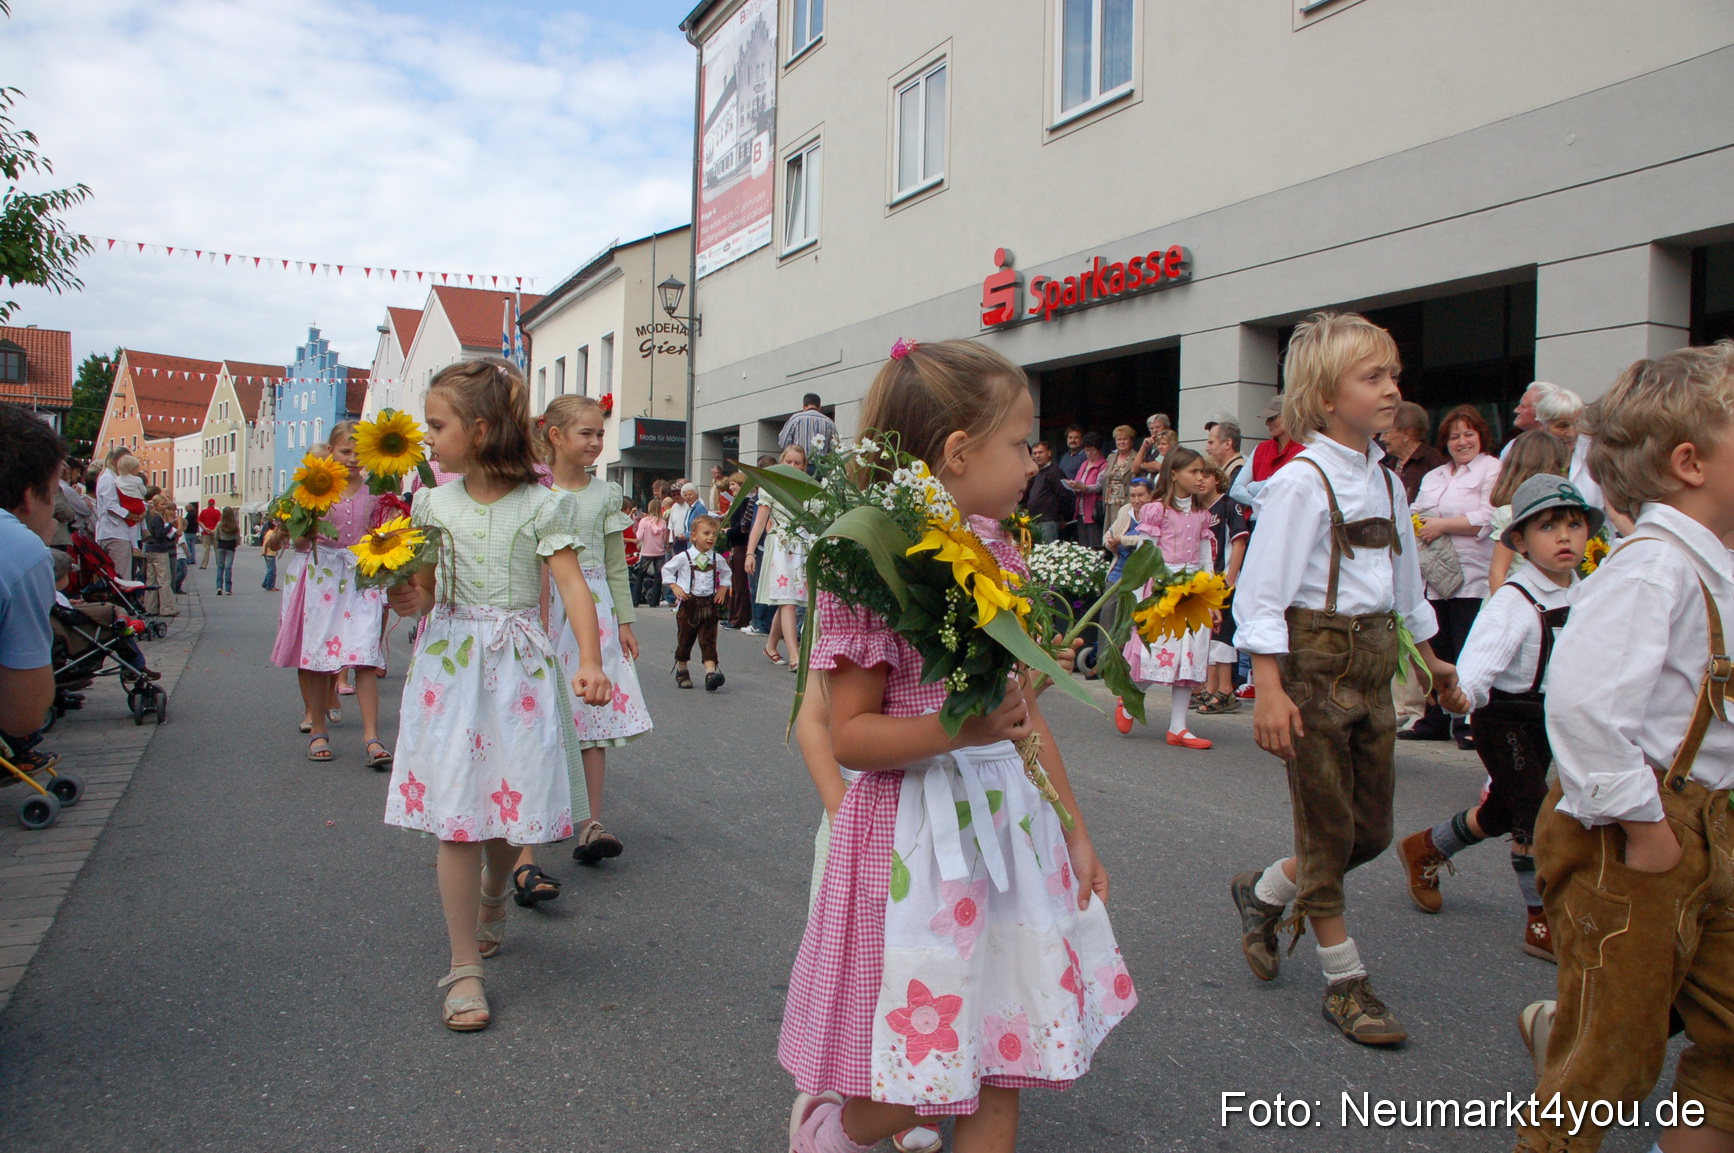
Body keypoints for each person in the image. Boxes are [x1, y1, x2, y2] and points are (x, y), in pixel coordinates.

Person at [780, 338, 1133, 1153]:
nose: (1032, 460)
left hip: (1006, 832)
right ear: (957, 451)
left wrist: (1075, 828)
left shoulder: (999, 547)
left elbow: (1022, 716)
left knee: (997, 1063)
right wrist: (959, 727)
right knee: (915, 1076)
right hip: (916, 839)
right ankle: (831, 1128)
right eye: (1019, 443)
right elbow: (853, 733)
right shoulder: (868, 559)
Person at [1514, 342, 1734, 1153]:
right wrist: (1644, 824)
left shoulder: (1716, 568)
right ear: (1690, 461)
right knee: (1609, 1062)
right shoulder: (1656, 569)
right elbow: (1581, 703)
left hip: (1708, 829)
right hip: (1636, 839)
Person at [1228, 312, 1455, 1046]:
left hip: (1374, 666)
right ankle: (1344, 979)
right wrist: (1267, 686)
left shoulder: (1387, 482)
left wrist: (1433, 655)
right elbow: (1260, 594)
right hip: (1313, 672)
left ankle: (1263, 892)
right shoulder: (1301, 482)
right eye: (1373, 377)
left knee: (1371, 831)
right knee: (1328, 829)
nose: (1392, 389)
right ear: (1327, 397)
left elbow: (1405, 583)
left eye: (1392, 375)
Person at [381, 357, 611, 1034]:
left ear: (480, 430)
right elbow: (424, 588)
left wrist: (591, 658)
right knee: (460, 813)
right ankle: (463, 968)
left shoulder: (543, 505)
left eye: (437, 424)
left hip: (518, 670)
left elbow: (572, 585)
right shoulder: (430, 503)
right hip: (450, 667)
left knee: (511, 813)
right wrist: (408, 594)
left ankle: (493, 892)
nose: (427, 436)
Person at [1396, 475, 1597, 967]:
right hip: (1501, 716)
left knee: (1504, 812)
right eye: (1548, 527)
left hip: (1549, 718)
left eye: (1574, 524)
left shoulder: (1591, 592)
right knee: (1533, 810)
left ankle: (1426, 847)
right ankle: (1541, 918)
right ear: (1521, 542)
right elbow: (1480, 663)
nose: (1565, 536)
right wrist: (1462, 695)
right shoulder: (1513, 600)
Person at [539, 394, 653, 870]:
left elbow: (614, 565)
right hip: (546, 607)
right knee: (538, 716)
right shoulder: (534, 491)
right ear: (556, 436)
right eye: (586, 433)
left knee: (592, 723)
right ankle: (536, 814)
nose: (596, 442)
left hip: (596, 612)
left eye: (600, 434)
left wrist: (624, 621)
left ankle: (591, 822)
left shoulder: (605, 494)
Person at [269, 425, 391, 768]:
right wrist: (298, 529)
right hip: (321, 574)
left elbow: (380, 531)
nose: (352, 460)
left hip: (358, 574)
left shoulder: (375, 491)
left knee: (366, 653)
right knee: (320, 654)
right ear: (331, 452)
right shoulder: (315, 487)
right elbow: (297, 539)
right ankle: (318, 730)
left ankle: (372, 737)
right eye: (345, 452)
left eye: (358, 453)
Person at [1407, 405, 1500, 748]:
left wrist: (1443, 525)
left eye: (1469, 434)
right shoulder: (1436, 476)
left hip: (1470, 573)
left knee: (1466, 649)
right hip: (1433, 573)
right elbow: (1416, 511)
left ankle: (1467, 721)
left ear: (1481, 436)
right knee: (1438, 645)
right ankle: (1435, 718)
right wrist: (1419, 523)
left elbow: (1488, 516)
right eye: (1455, 436)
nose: (1462, 442)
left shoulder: (1492, 469)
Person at [1115, 448, 1218, 747]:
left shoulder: (1202, 514)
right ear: (1174, 474)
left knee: (1189, 656)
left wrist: (1210, 596)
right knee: (1156, 651)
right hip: (1163, 586)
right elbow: (1144, 557)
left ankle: (1178, 726)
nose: (1200, 477)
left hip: (1193, 590)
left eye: (1203, 472)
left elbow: (1205, 558)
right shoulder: (1156, 510)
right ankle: (1130, 696)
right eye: (1194, 471)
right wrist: (1136, 598)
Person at [0, 403, 62, 759]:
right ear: (28, 497)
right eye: (54, 494)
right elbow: (24, 716)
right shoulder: (22, 551)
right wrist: (39, 546)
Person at [746, 443, 810, 670]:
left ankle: (771, 645)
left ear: (804, 466)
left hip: (801, 546)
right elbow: (760, 522)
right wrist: (750, 552)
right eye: (788, 461)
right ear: (781, 462)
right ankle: (795, 655)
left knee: (788, 601)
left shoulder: (807, 487)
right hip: (780, 546)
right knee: (788, 602)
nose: (792, 466)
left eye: (797, 463)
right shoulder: (769, 487)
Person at [1195, 458, 1250, 716]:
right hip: (1204, 583)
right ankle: (1211, 686)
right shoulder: (1197, 510)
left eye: (1206, 476)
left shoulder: (1229, 505)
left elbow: (1239, 542)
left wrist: (1230, 579)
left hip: (1224, 580)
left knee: (1222, 634)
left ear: (1217, 478)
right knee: (1208, 636)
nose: (1200, 481)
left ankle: (1226, 690)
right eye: (1196, 476)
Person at [1484, 430, 1569, 592]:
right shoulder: (1511, 514)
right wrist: (1503, 611)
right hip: (1521, 596)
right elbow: (1497, 573)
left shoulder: (1563, 512)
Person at [662, 514, 731, 691]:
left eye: (714, 534)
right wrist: (674, 586)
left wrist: (723, 589)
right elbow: (667, 569)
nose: (711, 538)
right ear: (694, 536)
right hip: (688, 605)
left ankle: (710, 673)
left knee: (709, 639)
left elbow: (726, 573)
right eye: (706, 533)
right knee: (686, 638)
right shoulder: (684, 557)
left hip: (709, 604)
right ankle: (682, 670)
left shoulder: (716, 558)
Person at [1378, 401, 1448, 502]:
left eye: (1386, 432)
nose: (1381, 438)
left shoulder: (1433, 464)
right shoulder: (1387, 464)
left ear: (1406, 434)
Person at [93, 449, 140, 580]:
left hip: (115, 532)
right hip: (114, 532)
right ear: (115, 461)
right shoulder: (108, 479)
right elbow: (111, 505)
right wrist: (130, 515)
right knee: (121, 576)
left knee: (120, 574)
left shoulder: (115, 478)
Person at [1021, 439, 1071, 543]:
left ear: (1049, 453)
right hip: (1033, 520)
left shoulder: (1055, 472)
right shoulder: (1035, 473)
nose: (1037, 456)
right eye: (1035, 453)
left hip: (1048, 520)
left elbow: (1064, 495)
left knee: (1047, 553)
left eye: (1041, 452)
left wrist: (1063, 517)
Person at [724, 472, 757, 629]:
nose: (731, 488)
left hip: (742, 545)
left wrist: (728, 532)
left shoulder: (745, 501)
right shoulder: (739, 501)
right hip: (736, 545)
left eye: (733, 484)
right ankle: (733, 616)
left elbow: (742, 526)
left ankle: (739, 618)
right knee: (736, 583)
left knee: (740, 583)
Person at [1064, 432, 1107, 548]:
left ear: (1099, 450)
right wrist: (1073, 486)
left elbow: (1099, 486)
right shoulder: (1084, 464)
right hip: (1080, 509)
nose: (1089, 453)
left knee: (1094, 544)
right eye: (1086, 450)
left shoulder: (1103, 465)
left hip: (1094, 510)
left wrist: (1082, 487)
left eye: (1092, 450)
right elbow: (1079, 481)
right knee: (1083, 545)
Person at [140, 494, 179, 616]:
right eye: (162, 504)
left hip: (151, 550)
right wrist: (170, 527)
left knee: (151, 580)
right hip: (159, 551)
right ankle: (167, 608)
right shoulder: (158, 518)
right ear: (156, 505)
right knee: (164, 580)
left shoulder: (152, 516)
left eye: (165, 504)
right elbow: (159, 534)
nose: (165, 507)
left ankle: (150, 607)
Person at [1099, 425, 1141, 534]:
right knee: (1110, 534)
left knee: (1123, 533)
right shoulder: (1111, 457)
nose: (1121, 442)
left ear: (1131, 441)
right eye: (1119, 439)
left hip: (1126, 502)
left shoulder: (1137, 457)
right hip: (1110, 502)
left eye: (1125, 439)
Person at [1501, 380, 1558, 456]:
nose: (1516, 410)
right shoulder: (1512, 447)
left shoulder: (1566, 446)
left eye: (1523, 406)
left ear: (1541, 412)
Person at [778, 392, 840, 461]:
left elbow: (783, 443)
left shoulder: (795, 419)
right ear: (819, 407)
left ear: (803, 406)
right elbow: (835, 447)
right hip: (820, 466)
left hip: (798, 463)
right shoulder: (829, 422)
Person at [633, 498, 669, 609]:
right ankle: (654, 602)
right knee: (658, 577)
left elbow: (639, 536)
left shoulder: (644, 521)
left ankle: (635, 601)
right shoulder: (663, 522)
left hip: (647, 551)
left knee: (640, 575)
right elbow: (665, 539)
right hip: (659, 552)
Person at [1205, 419, 1246, 489]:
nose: (1207, 448)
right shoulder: (1235, 469)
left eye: (1211, 443)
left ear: (1227, 444)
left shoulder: (1238, 470)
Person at [666, 482, 706, 554]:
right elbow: (671, 527)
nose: (688, 497)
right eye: (685, 495)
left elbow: (702, 528)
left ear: (696, 495)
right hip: (685, 543)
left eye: (690, 494)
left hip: (696, 544)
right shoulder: (687, 507)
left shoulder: (698, 507)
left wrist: (686, 535)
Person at [213, 506, 240, 595]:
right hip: (230, 547)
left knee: (220, 566)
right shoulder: (235, 525)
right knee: (228, 567)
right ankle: (228, 588)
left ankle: (219, 587)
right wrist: (235, 544)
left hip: (221, 546)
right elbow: (237, 538)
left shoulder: (219, 524)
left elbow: (216, 536)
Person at [1137, 411, 1172, 476]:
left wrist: (1142, 465)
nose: (1154, 430)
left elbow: (1158, 466)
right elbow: (1134, 469)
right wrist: (1143, 447)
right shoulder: (1148, 445)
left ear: (1167, 428)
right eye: (1151, 428)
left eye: (1158, 427)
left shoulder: (1171, 444)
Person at [261, 520, 287, 591]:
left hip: (269, 553)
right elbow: (266, 542)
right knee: (272, 570)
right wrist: (264, 550)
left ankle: (265, 583)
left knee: (270, 569)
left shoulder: (268, 532)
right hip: (270, 553)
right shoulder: (271, 533)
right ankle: (270, 585)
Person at [197, 497, 221, 568]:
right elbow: (219, 522)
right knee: (217, 549)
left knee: (206, 549)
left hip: (206, 532)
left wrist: (205, 528)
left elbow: (199, 521)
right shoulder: (217, 512)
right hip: (215, 533)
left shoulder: (204, 512)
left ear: (208, 504)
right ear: (214, 504)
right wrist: (214, 530)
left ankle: (204, 564)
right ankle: (219, 564)